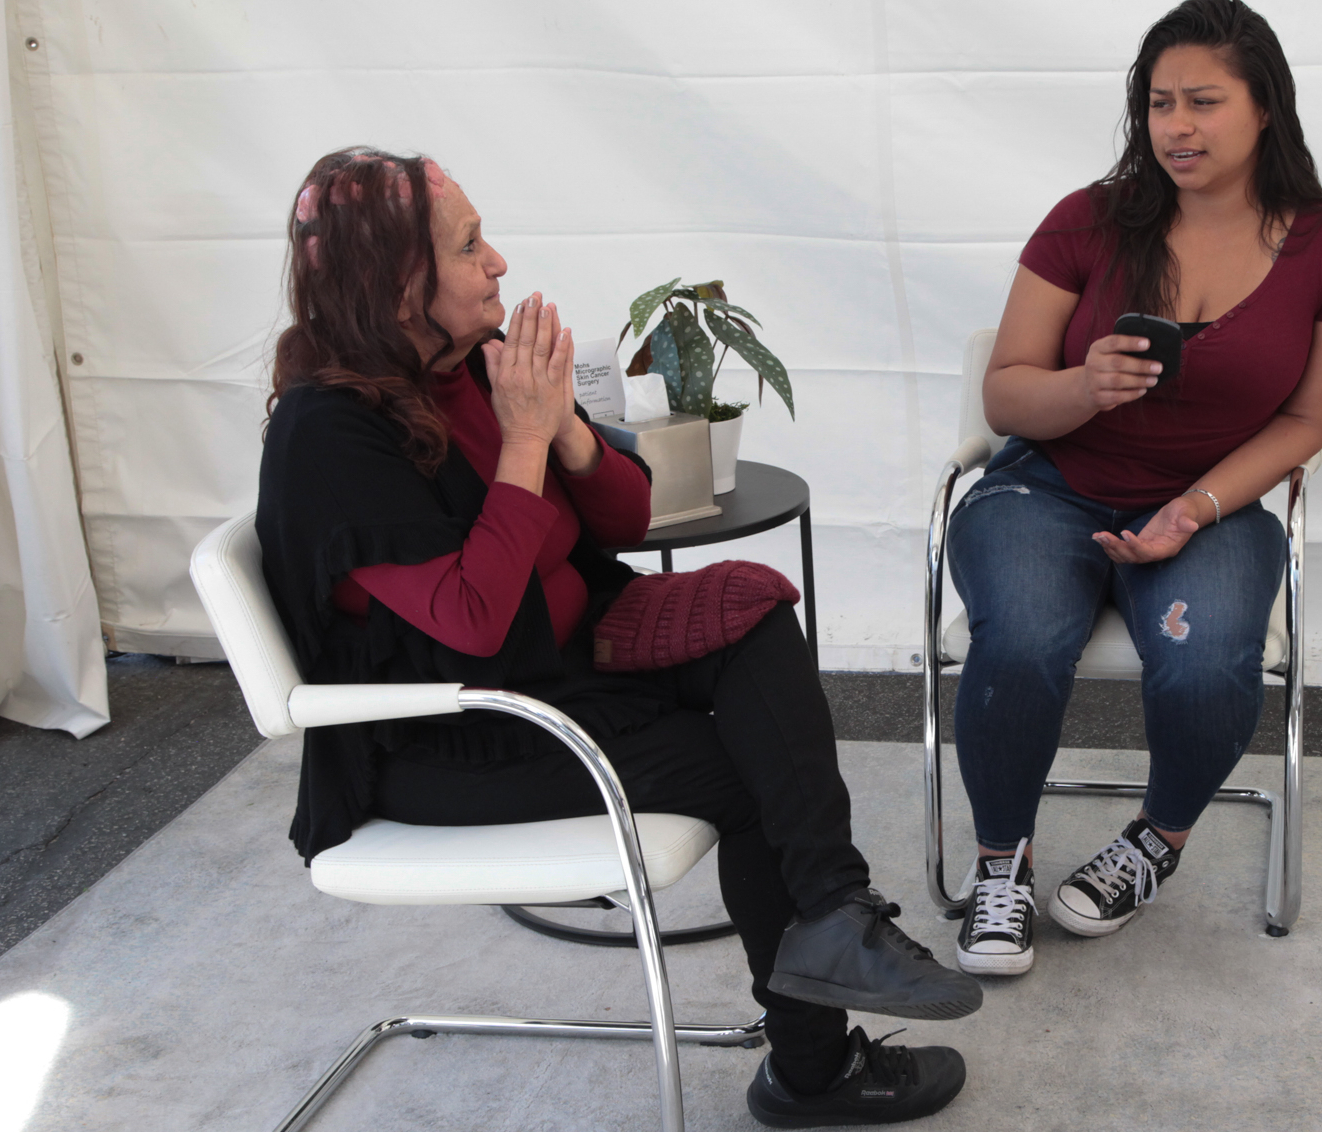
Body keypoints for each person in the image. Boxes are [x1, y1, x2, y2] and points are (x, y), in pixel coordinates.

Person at [256, 147, 977, 1128]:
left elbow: (627, 520)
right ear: (396, 283)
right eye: (469, 247)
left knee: (748, 608)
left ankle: (836, 916)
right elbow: (471, 628)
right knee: (744, 769)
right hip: (455, 736)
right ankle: (811, 1075)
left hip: (561, 662)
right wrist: (521, 438)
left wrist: (562, 432)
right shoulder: (327, 434)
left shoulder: (468, 365)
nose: (498, 262)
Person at [949, 0, 1322, 976]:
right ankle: (999, 863)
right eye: (1157, 104)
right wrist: (1081, 385)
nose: (1176, 128)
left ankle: (1158, 838)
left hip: (1209, 503)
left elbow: (1305, 422)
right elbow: (1006, 397)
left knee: (1202, 667)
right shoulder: (1087, 220)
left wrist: (1191, 508)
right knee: (1020, 639)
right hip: (1046, 488)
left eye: (1202, 102)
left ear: (1262, 107)